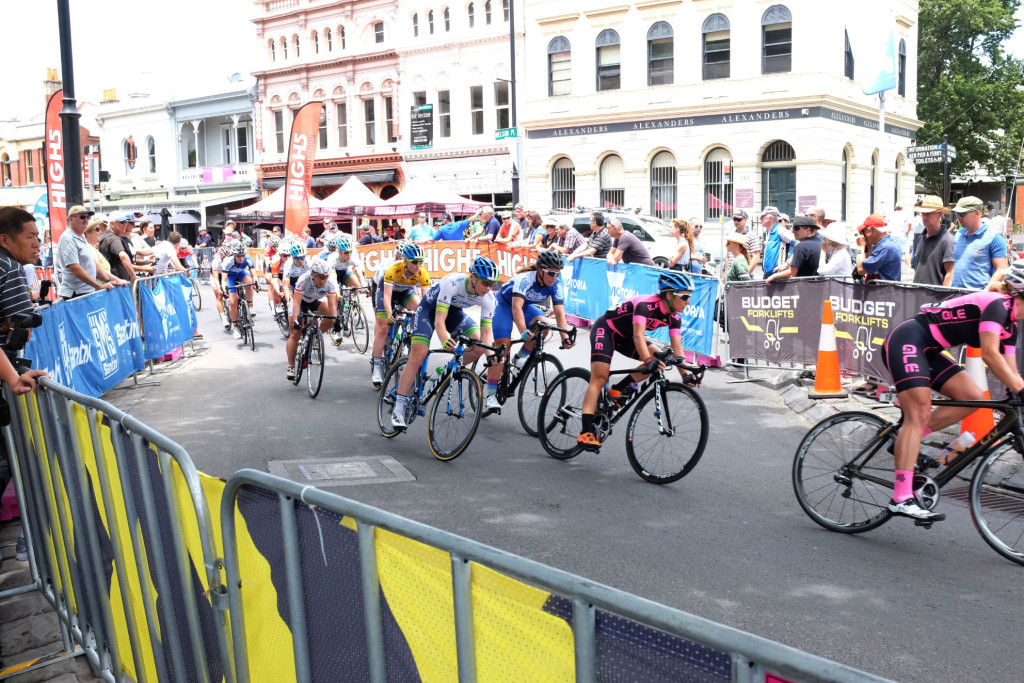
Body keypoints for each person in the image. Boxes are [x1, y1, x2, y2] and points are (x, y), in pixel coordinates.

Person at [881, 263, 1024, 522]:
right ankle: (901, 497)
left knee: (974, 399)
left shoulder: (1011, 326)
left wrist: (1017, 397)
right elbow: (991, 354)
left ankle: (905, 440)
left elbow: (1012, 374)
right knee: (920, 412)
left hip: (930, 350)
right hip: (908, 339)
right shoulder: (998, 306)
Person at [576, 271, 696, 451]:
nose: (689, 302)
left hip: (627, 337)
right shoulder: (645, 305)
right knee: (600, 379)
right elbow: (639, 337)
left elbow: (677, 350)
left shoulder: (675, 317)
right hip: (607, 331)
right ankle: (585, 432)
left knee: (661, 361)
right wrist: (648, 360)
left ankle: (617, 390)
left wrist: (686, 375)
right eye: (685, 297)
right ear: (670, 295)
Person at [389, 256, 499, 429]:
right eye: (485, 283)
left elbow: (486, 333)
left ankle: (445, 370)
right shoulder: (452, 282)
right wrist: (444, 338)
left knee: (479, 347)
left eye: (492, 284)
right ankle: (399, 409)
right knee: (418, 355)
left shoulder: (489, 298)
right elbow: (440, 321)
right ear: (473, 277)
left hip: (455, 314)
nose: (488, 288)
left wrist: (491, 355)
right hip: (429, 311)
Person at [485, 250, 574, 414]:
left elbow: (560, 312)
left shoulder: (556, 283)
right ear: (540, 270)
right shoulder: (525, 278)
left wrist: (565, 337)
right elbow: (515, 307)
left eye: (557, 274)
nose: (554, 277)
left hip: (525, 307)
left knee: (544, 325)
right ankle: (491, 396)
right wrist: (523, 331)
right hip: (505, 306)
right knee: (503, 348)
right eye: (551, 273)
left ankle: (520, 357)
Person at [370, 241, 431, 387]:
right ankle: (377, 367)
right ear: (405, 261)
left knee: (418, 308)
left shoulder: (422, 273)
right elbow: (386, 297)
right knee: (384, 327)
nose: (418, 265)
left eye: (421, 262)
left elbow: (426, 302)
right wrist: (390, 313)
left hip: (405, 292)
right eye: (415, 262)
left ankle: (409, 334)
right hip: (388, 291)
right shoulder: (392, 269)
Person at [55, 206, 127, 299]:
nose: (86, 220)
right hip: (75, 294)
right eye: (82, 217)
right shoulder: (68, 238)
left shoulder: (81, 237)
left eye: (87, 217)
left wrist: (109, 280)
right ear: (71, 219)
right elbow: (75, 269)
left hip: (86, 292)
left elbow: (94, 265)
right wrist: (99, 286)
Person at [286, 259, 339, 380]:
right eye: (320, 277)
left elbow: (332, 306)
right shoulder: (303, 279)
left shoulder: (330, 283)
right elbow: (297, 302)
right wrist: (296, 319)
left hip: (316, 300)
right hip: (301, 302)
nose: (323, 281)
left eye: (325, 277)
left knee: (330, 319)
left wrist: (335, 320)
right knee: (295, 332)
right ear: (312, 274)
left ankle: (315, 336)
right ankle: (291, 366)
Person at [951, 196, 1008, 290]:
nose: (958, 217)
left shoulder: (994, 238)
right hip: (955, 298)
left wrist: (984, 294)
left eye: (962, 214)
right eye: (957, 213)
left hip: (978, 299)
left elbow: (1001, 270)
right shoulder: (958, 236)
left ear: (977, 213)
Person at [912, 195, 954, 287]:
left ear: (940, 214)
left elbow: (950, 273)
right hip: (916, 293)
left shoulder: (947, 239)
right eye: (922, 213)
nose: (924, 217)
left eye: (928, 214)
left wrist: (943, 298)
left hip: (935, 297)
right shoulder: (921, 237)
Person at [766, 216, 822, 285]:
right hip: (821, 286)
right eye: (793, 228)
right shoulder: (821, 243)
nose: (793, 231)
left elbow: (791, 273)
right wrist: (787, 263)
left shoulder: (801, 246)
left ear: (808, 230)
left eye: (796, 228)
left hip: (806, 288)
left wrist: (773, 276)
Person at [221, 241, 256, 339]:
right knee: (233, 302)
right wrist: (224, 288)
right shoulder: (228, 261)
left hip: (242, 274)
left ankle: (250, 306)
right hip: (230, 278)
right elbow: (223, 280)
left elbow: (254, 275)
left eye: (242, 256)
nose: (241, 258)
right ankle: (235, 328)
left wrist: (256, 282)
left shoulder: (248, 259)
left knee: (249, 281)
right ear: (233, 254)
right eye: (238, 256)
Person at [855, 214, 902, 282]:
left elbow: (861, 270)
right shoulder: (889, 243)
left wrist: (860, 247)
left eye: (864, 231)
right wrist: (868, 246)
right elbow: (868, 263)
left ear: (872, 229)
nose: (863, 235)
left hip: (883, 291)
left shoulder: (885, 247)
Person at [100, 212, 140, 284]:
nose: (125, 224)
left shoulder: (107, 236)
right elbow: (123, 256)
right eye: (122, 222)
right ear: (112, 224)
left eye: (126, 222)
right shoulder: (113, 239)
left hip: (114, 283)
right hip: (118, 284)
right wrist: (133, 276)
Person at [760, 207, 791, 278]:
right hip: (766, 274)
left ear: (770, 218)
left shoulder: (780, 230)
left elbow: (799, 246)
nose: (760, 219)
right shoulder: (766, 232)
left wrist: (787, 264)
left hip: (779, 274)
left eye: (762, 217)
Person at [732, 209, 762, 275]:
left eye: (738, 219)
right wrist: (725, 273)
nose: (736, 222)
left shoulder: (752, 235)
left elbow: (756, 257)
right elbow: (728, 256)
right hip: (731, 276)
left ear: (745, 220)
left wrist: (745, 273)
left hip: (744, 276)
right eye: (734, 219)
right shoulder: (732, 234)